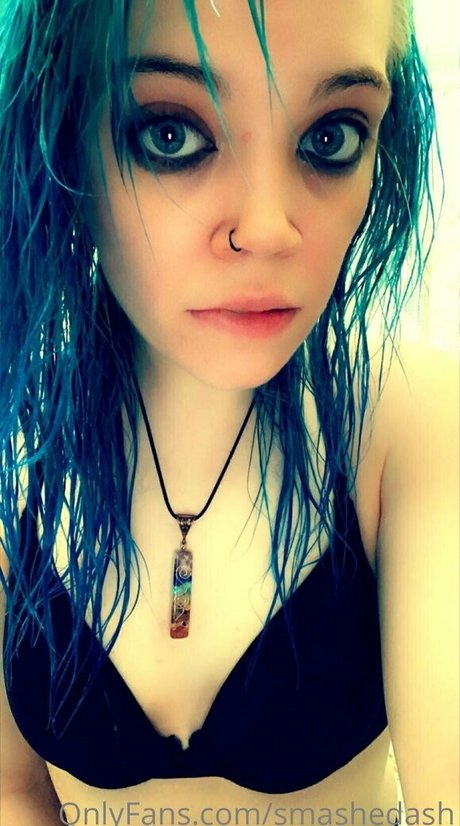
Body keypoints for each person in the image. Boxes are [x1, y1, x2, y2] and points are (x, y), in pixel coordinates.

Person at [0, 0, 458, 824]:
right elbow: (11, 791)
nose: (270, 229)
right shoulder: (16, 441)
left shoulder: (411, 423)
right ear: (59, 136)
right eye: (171, 133)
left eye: (331, 138)